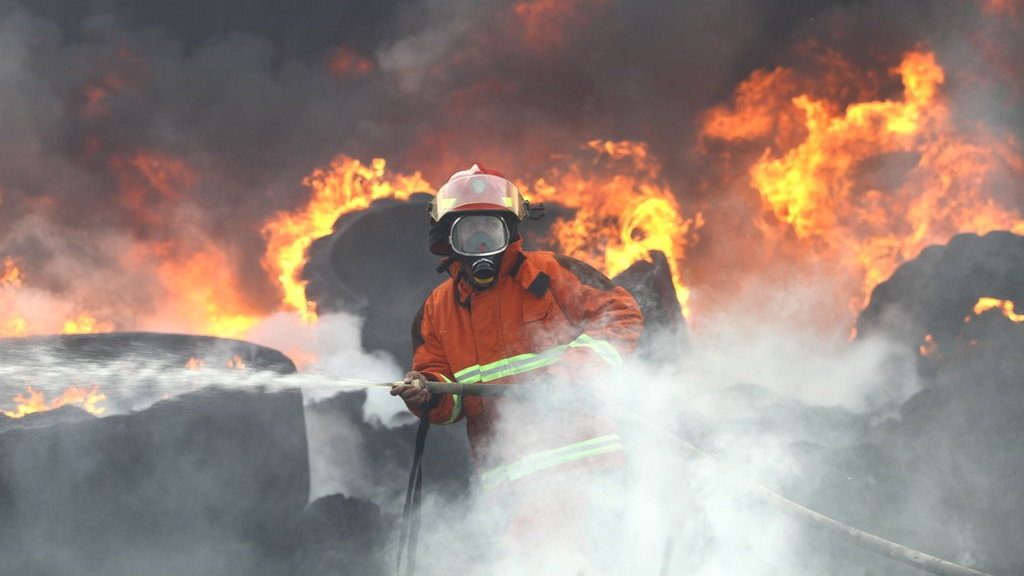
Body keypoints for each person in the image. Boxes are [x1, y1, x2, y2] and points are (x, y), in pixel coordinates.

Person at [391, 163, 644, 572]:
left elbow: (621, 315)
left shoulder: (552, 273)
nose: (480, 244)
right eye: (467, 233)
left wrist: (569, 374)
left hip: (590, 475)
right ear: (447, 240)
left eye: (490, 231)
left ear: (511, 231)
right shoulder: (436, 311)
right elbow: (447, 398)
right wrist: (426, 392)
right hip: (513, 493)